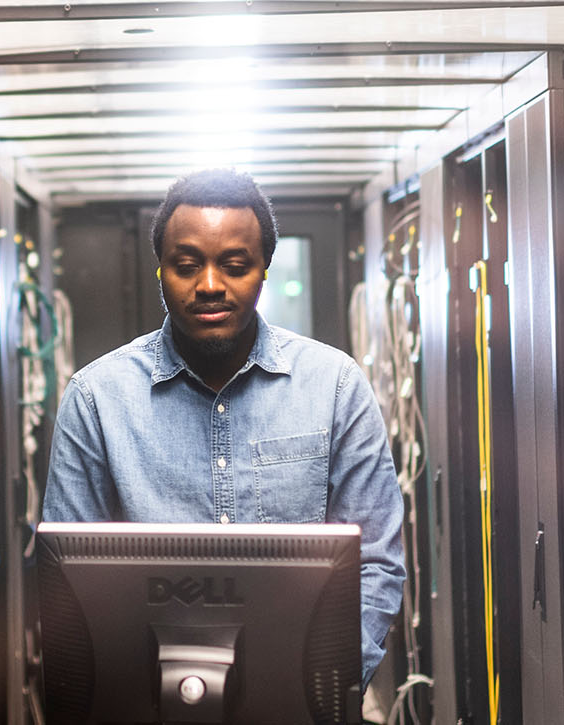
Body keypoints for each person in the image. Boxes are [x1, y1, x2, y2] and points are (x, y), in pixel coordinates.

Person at [42, 168, 406, 683]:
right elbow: (67, 583)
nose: (210, 285)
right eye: (186, 265)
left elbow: (377, 564)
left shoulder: (336, 388)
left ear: (264, 270)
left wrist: (326, 684)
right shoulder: (96, 400)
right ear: (160, 271)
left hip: (300, 696)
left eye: (235, 265)